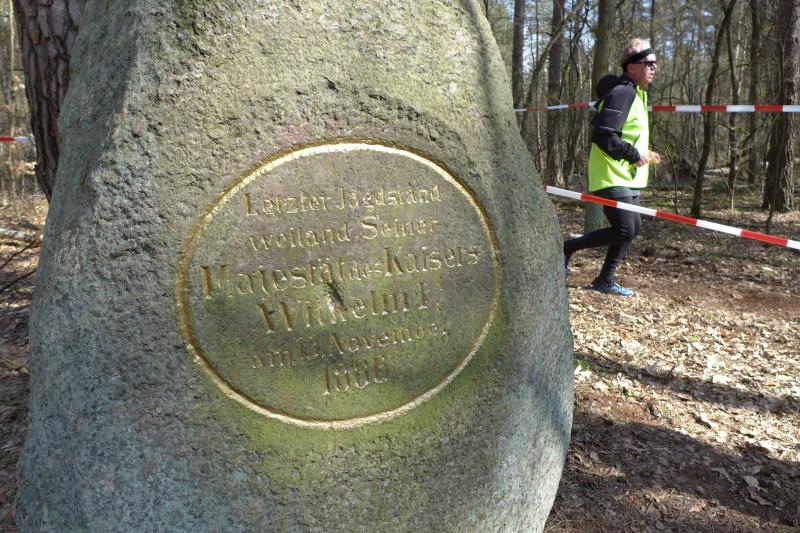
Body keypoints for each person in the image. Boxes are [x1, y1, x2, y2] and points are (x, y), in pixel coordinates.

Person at [563, 38, 662, 297]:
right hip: (611, 174)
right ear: (632, 67)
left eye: (655, 63)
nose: (654, 68)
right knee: (625, 229)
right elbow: (603, 135)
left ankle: (605, 279)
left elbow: (626, 134)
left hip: (627, 175)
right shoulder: (622, 93)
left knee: (631, 230)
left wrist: (643, 153)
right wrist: (633, 154)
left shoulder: (636, 94)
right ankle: (567, 249)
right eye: (648, 63)